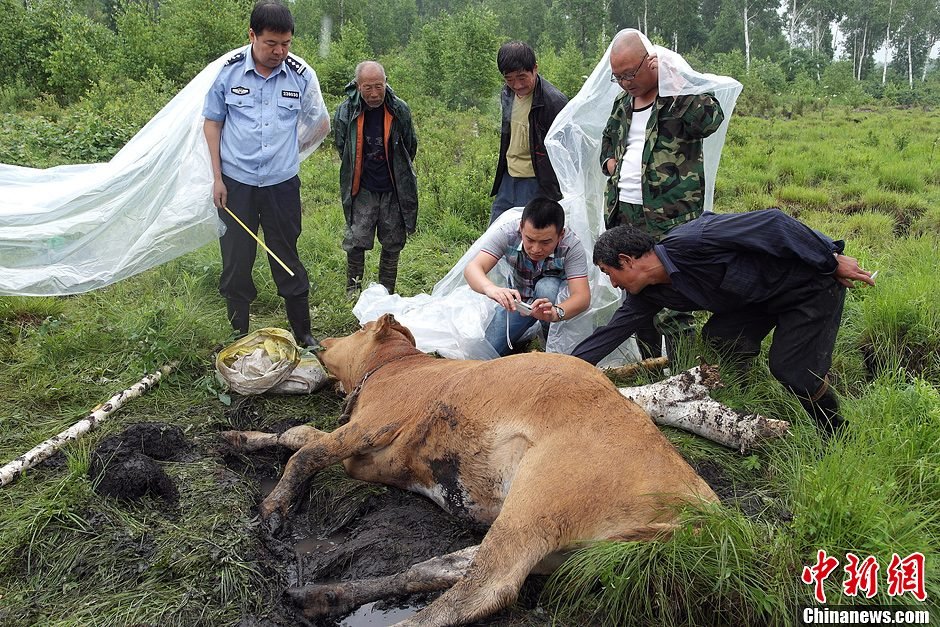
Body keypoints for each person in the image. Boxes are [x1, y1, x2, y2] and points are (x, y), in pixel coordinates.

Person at [571, 208, 877, 438]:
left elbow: (774, 222)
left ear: (627, 261)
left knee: (793, 372)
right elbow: (610, 333)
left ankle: (836, 432)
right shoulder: (648, 294)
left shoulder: (697, 239)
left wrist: (830, 258)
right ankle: (751, 397)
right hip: (759, 301)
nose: (612, 283)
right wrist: (560, 367)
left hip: (809, 286)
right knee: (721, 335)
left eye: (609, 272)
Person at [203, 1, 329, 347]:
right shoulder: (228, 72)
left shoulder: (301, 74)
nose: (279, 51)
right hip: (235, 185)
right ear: (252, 35)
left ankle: (304, 336)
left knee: (285, 254)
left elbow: (319, 124)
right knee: (236, 258)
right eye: (271, 43)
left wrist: (288, 154)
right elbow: (212, 124)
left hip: (281, 186)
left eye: (286, 44)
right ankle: (236, 335)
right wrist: (217, 177)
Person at [601, 30, 725, 361]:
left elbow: (709, 120)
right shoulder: (622, 103)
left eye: (630, 73)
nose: (626, 82)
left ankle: (685, 376)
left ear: (652, 63)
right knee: (637, 296)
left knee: (675, 302)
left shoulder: (679, 96)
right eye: (618, 77)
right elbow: (608, 140)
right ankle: (652, 372)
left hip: (671, 217)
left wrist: (676, 82)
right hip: (624, 215)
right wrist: (610, 164)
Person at [334, 61, 418, 299]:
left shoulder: (399, 109)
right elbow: (343, 147)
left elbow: (410, 146)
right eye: (368, 87)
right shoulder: (346, 111)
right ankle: (353, 289)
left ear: (386, 82)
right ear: (358, 86)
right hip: (362, 187)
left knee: (393, 242)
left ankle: (386, 291)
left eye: (379, 86)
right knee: (356, 240)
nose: (374, 93)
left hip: (393, 188)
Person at [465, 198, 591, 356]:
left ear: (561, 235)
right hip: (519, 302)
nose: (536, 249)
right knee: (485, 353)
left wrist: (555, 313)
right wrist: (491, 289)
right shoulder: (508, 233)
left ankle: (548, 341)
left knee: (547, 287)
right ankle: (523, 335)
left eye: (546, 242)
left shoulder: (571, 245)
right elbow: (473, 268)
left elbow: (582, 296)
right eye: (530, 240)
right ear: (521, 228)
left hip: (555, 306)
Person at [489, 42, 569, 225]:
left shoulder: (553, 102)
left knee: (529, 238)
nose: (516, 85)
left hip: (536, 182)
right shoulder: (507, 93)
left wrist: (552, 192)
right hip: (508, 179)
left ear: (535, 69)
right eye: (509, 79)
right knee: (496, 233)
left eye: (522, 77)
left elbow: (564, 152)